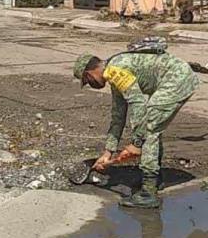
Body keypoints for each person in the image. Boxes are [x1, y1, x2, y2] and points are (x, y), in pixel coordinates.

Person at [73, 48, 199, 209]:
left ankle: (148, 192)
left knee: (150, 128)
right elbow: (118, 116)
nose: (91, 84)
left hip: (177, 79)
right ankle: (155, 178)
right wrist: (108, 151)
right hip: (176, 78)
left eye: (87, 80)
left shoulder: (115, 70)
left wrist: (136, 142)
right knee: (151, 125)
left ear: (89, 73)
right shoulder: (113, 74)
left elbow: (138, 104)